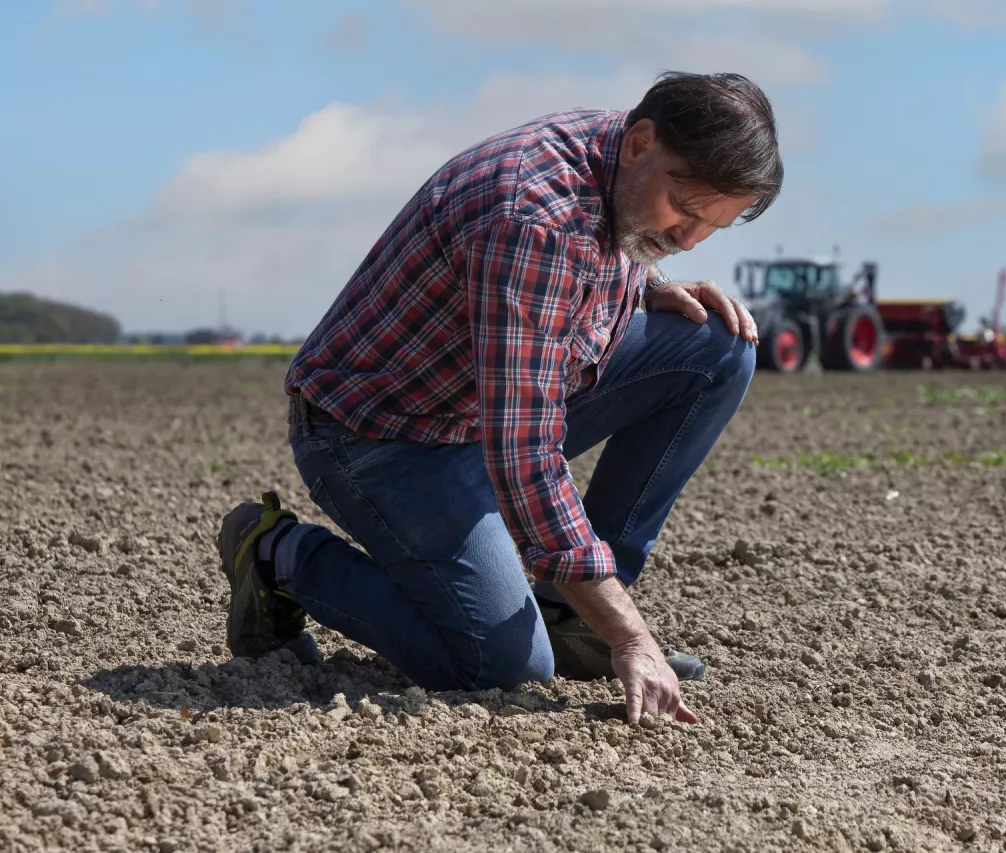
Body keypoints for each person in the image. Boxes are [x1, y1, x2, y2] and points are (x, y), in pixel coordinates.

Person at [216, 71, 783, 725]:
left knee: (716, 345)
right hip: (382, 433)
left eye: (711, 226)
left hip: (482, 405)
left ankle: (573, 616)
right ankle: (277, 553)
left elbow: (592, 256)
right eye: (683, 209)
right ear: (641, 143)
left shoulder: (621, 160)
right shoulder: (533, 219)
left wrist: (643, 280)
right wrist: (633, 636)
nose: (688, 238)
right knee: (499, 667)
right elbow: (525, 455)